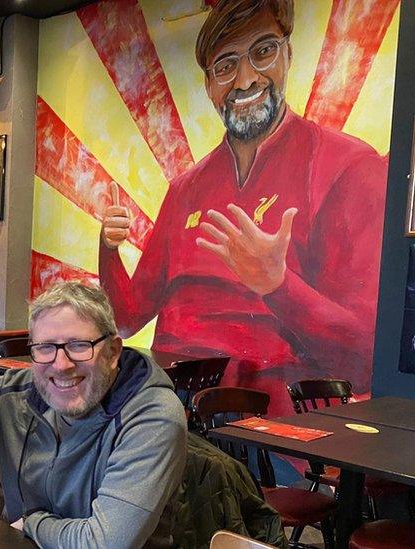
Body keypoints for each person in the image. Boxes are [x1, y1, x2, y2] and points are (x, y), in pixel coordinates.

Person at [99, 0, 386, 412]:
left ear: (288, 54)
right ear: (209, 84)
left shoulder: (348, 167)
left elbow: (365, 360)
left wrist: (278, 286)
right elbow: (126, 320)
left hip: (272, 432)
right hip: (170, 411)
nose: (246, 78)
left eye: (263, 51)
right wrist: (108, 250)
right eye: (226, 65)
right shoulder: (184, 190)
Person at [0, 281, 186, 547]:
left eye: (79, 346)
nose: (61, 364)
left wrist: (32, 524)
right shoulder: (17, 391)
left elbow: (105, 542)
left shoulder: (152, 416)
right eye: (45, 348)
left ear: (113, 351)